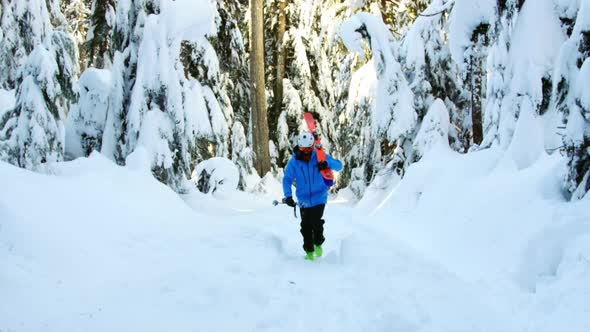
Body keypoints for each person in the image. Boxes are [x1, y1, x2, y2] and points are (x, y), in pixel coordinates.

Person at [283, 131, 343, 261]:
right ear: (299, 146)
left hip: (319, 196)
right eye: (303, 148)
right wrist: (288, 196)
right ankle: (309, 252)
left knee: (316, 222)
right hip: (303, 199)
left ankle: (318, 243)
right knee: (305, 226)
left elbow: (339, 166)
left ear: (312, 146)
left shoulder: (319, 156)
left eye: (309, 148)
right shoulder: (294, 162)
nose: (306, 152)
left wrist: (326, 164)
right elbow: (287, 179)